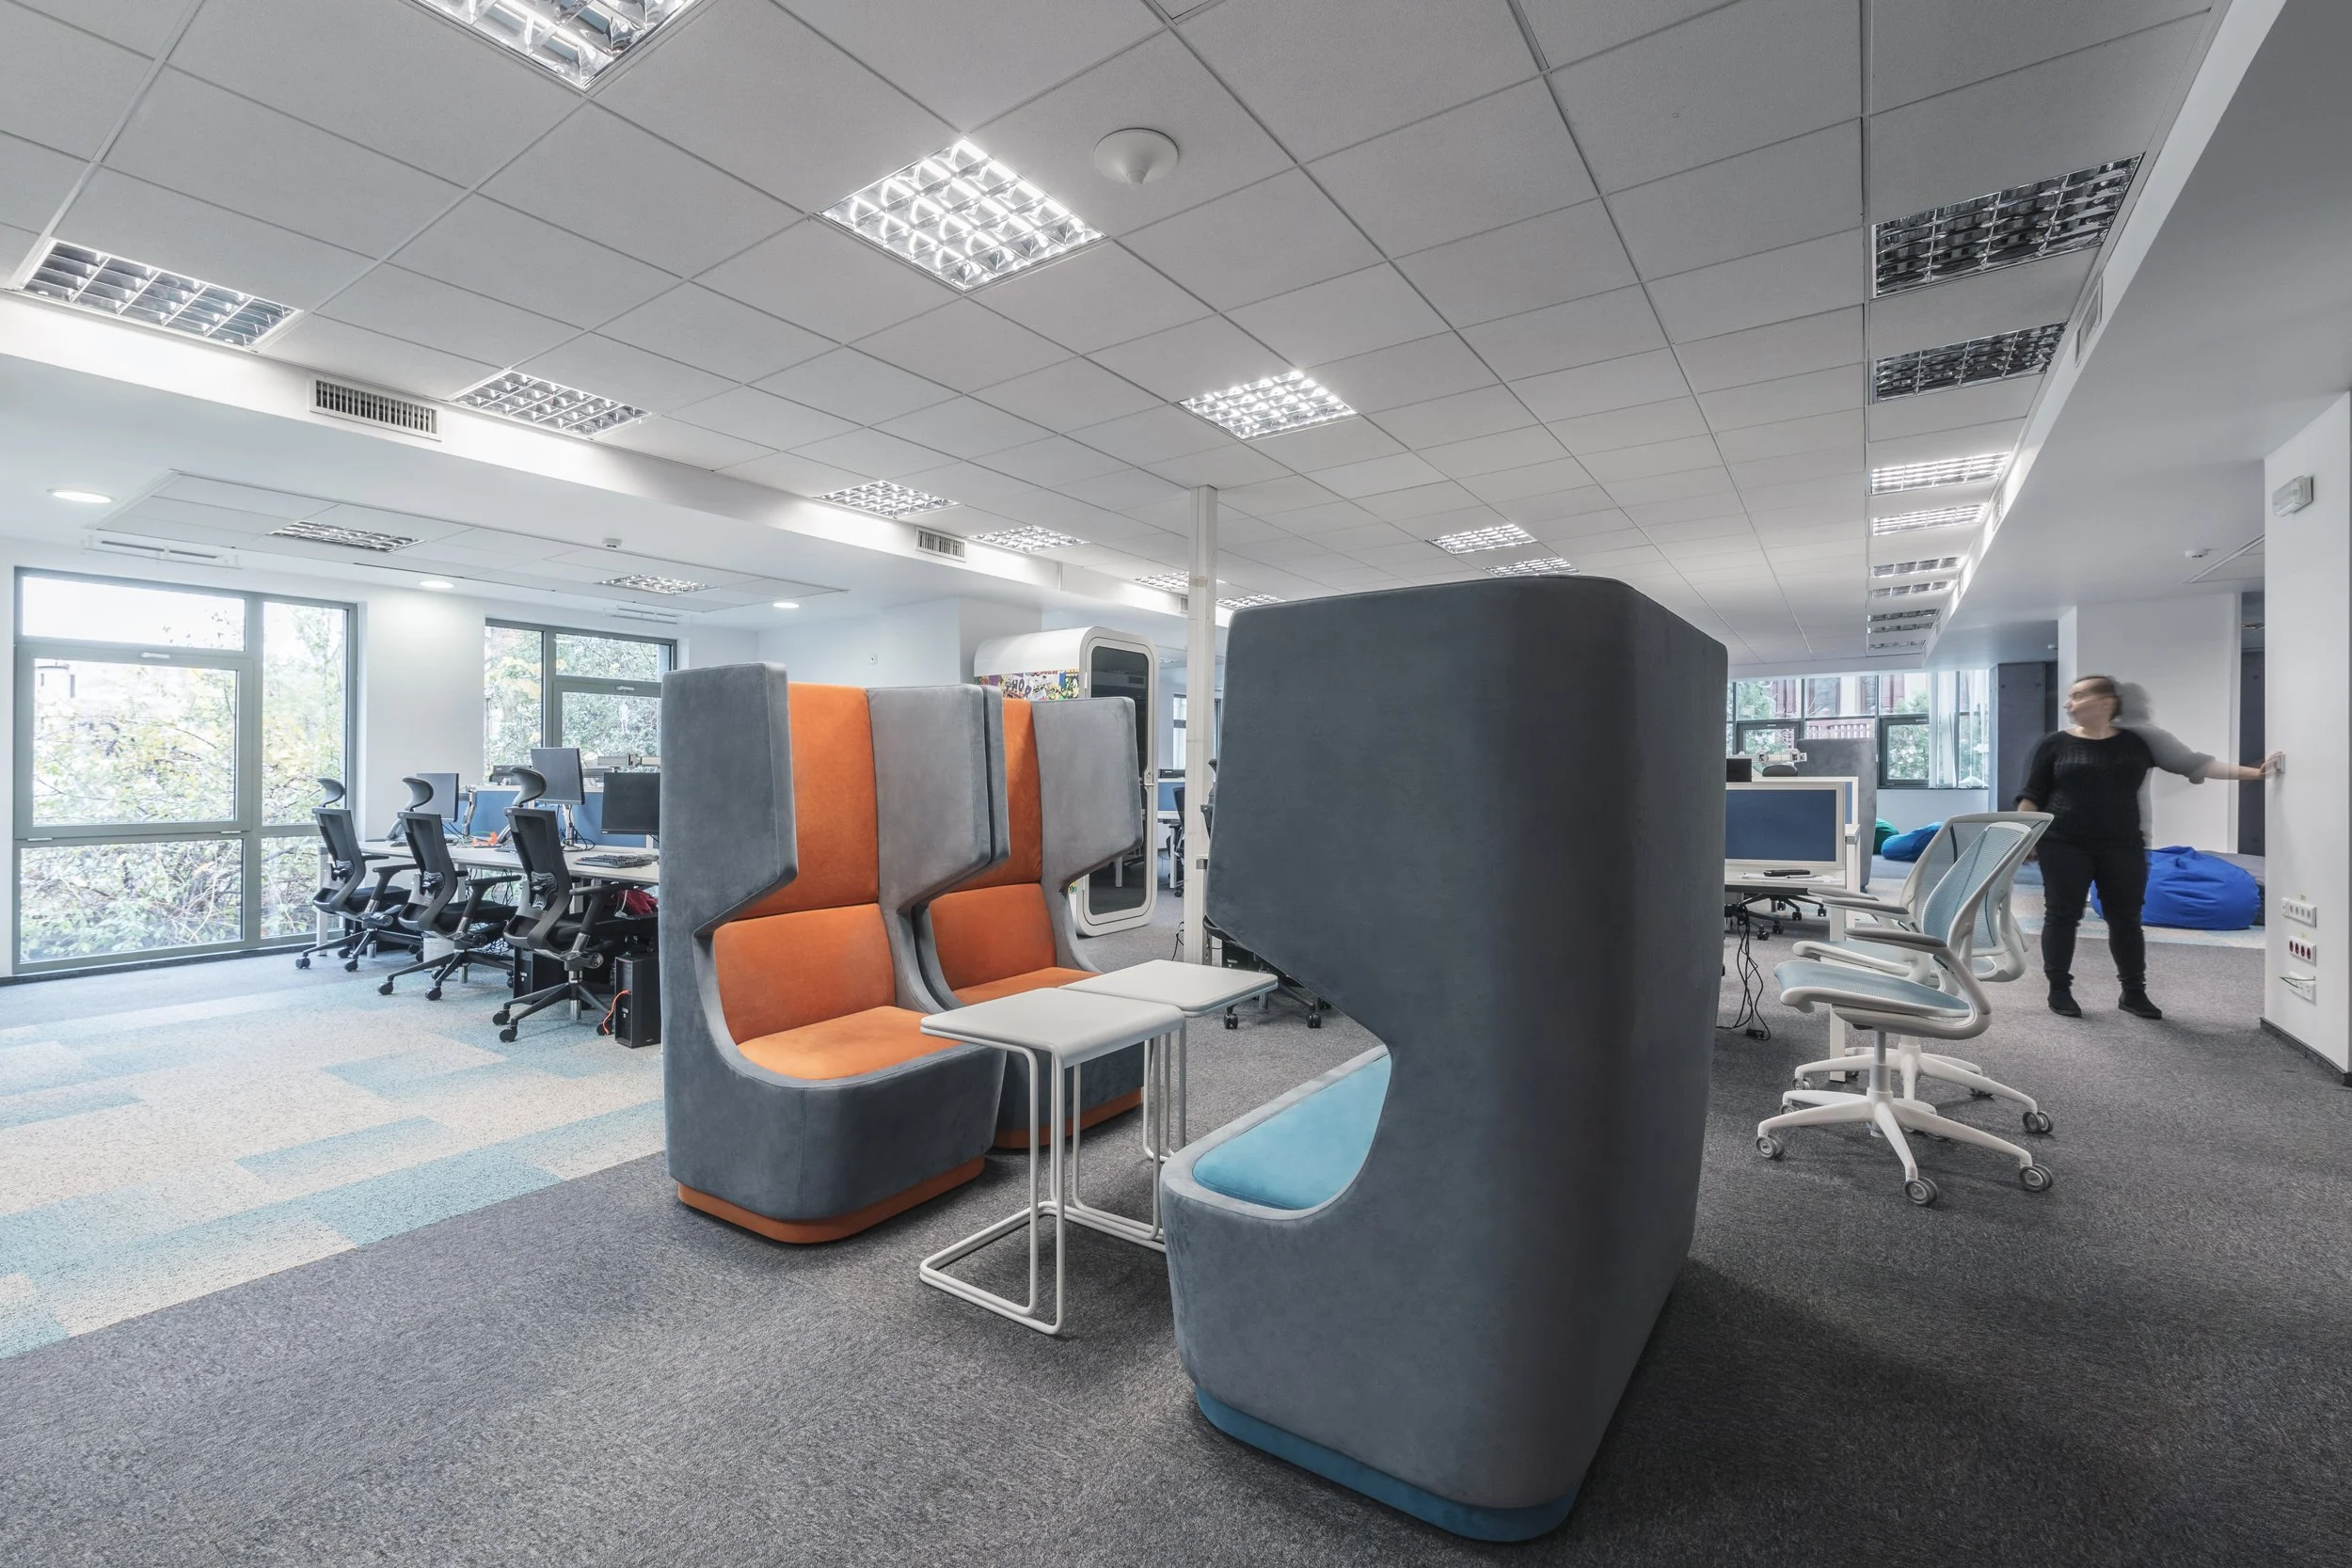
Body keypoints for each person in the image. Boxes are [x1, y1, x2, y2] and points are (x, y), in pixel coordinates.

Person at [2016, 674, 2280, 1019]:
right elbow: (2032, 794)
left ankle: (2133, 992)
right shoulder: (2054, 744)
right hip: (2063, 843)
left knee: (2125, 918)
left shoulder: (2140, 742)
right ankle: (2059, 990)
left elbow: (2196, 763)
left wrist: (2255, 774)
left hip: (2123, 844)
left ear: (2107, 700)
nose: (2068, 703)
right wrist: (2025, 837)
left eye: (2077, 696)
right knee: (2062, 915)